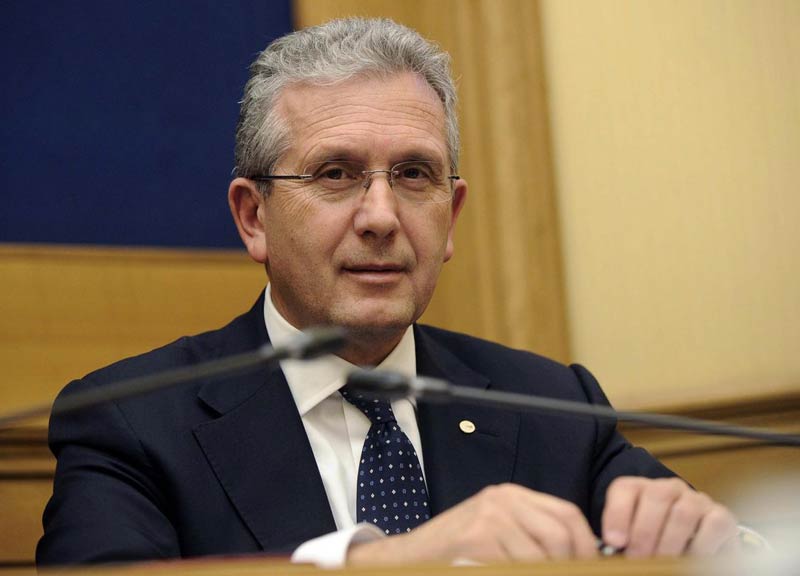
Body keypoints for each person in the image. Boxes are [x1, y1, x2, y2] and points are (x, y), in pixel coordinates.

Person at [37, 17, 740, 568]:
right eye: (335, 174)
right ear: (254, 218)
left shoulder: (553, 407)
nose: (381, 217)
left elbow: (730, 547)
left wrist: (709, 540)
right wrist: (388, 562)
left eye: (413, 175)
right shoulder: (132, 424)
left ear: (451, 216)